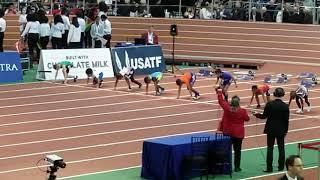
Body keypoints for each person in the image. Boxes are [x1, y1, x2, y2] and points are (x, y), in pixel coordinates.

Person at [253, 87, 289, 173]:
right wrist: (285, 131)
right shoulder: (285, 106)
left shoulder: (269, 104)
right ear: (283, 95)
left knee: (270, 148)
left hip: (270, 129)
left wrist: (257, 114)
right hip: (281, 130)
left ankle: (269, 168)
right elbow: (286, 120)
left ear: (274, 94)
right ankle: (281, 167)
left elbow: (264, 116)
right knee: (281, 148)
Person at [216, 88, 250, 172]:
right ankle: (237, 167)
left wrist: (220, 92)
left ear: (231, 102)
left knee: (226, 150)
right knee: (237, 151)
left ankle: (225, 167)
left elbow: (221, 101)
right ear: (238, 103)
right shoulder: (243, 111)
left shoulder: (227, 108)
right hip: (238, 134)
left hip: (228, 132)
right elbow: (247, 119)